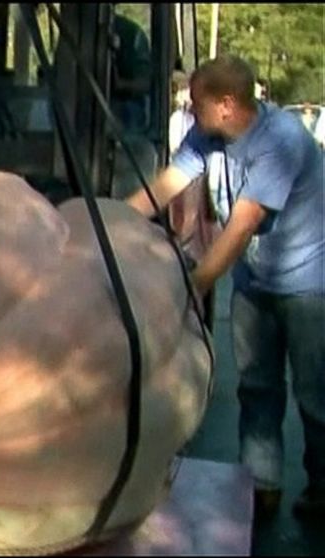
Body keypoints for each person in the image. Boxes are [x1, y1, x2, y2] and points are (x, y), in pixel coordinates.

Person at [124, 54, 324, 521]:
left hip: (308, 285)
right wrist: (107, 222)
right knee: (256, 387)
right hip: (255, 283)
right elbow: (167, 184)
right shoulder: (207, 137)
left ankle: (322, 486)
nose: (190, 112)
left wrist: (195, 285)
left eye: (197, 104)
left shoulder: (282, 141)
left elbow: (243, 222)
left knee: (315, 394)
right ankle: (263, 487)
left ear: (228, 105)